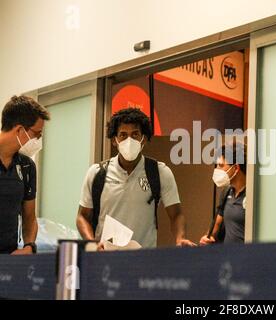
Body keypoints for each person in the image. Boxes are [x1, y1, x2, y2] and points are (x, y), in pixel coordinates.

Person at [76, 108, 196, 249]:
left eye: (135, 134)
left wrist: (180, 238)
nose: (129, 140)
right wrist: (92, 243)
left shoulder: (159, 172)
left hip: (144, 260)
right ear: (115, 140)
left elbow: (176, 214)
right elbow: (82, 216)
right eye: (123, 135)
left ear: (143, 138)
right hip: (105, 257)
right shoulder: (97, 173)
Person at [0, 96, 50, 254]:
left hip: (9, 261)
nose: (38, 139)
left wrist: (29, 246)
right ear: (20, 130)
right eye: (37, 134)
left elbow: (29, 216)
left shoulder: (27, 166)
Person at [200, 141, 247, 245]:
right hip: (228, 257)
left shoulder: (251, 196)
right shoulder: (227, 192)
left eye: (221, 165)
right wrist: (208, 237)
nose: (217, 170)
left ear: (236, 168)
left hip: (247, 257)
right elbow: (216, 225)